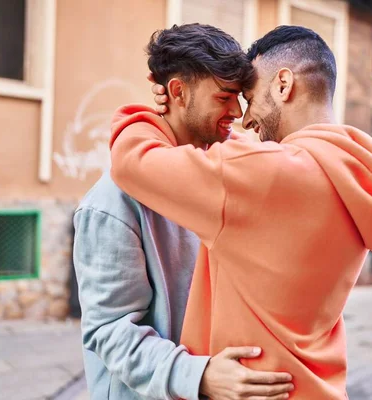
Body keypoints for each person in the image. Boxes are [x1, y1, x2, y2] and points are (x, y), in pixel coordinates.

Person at [109, 25, 372, 399]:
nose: (243, 119)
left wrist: (153, 115)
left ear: (282, 85)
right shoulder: (357, 177)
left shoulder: (256, 175)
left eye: (249, 95)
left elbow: (131, 161)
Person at [73, 23, 294, 400]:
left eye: (239, 97)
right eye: (224, 97)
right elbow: (109, 330)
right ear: (177, 91)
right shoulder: (111, 202)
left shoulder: (218, 172)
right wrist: (200, 375)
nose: (237, 112)